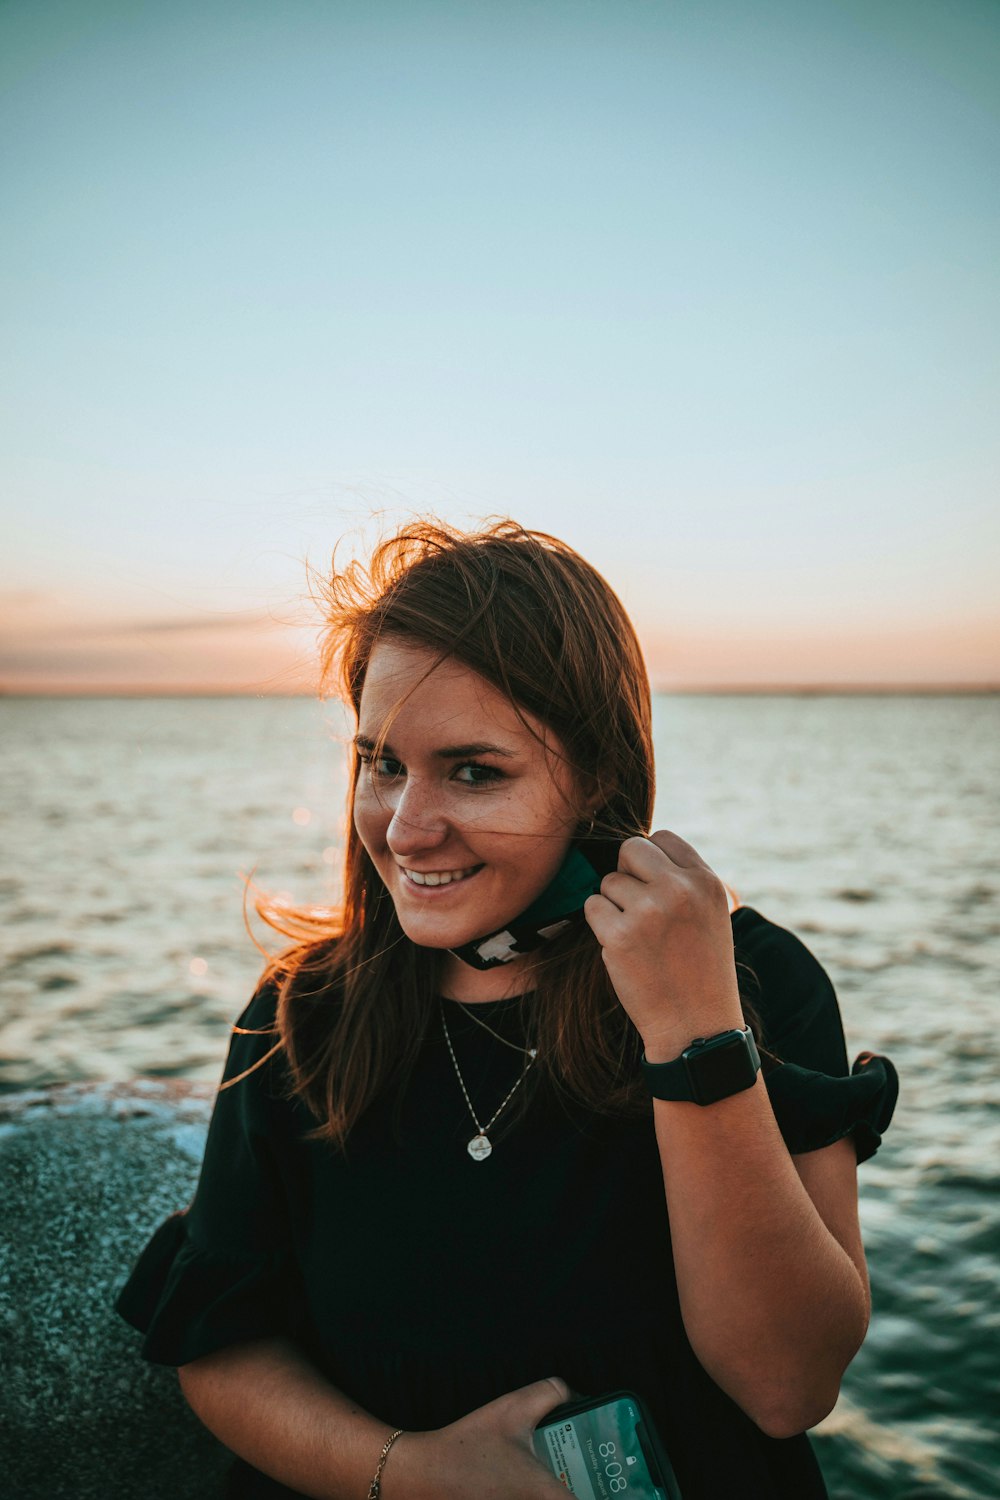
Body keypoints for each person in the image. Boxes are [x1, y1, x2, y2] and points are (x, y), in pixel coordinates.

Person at [116, 517, 898, 1500]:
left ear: (598, 783)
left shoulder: (747, 981)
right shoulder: (305, 1016)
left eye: (475, 771)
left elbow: (788, 1384)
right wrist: (407, 1472)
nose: (406, 829)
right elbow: (220, 1348)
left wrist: (693, 1033)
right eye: (382, 762)